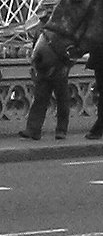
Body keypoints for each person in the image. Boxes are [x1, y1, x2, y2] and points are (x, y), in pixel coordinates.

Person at [20, 11, 70, 140]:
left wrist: (66, 66)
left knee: (61, 100)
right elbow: (35, 47)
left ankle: (60, 130)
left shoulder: (63, 27)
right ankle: (33, 130)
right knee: (40, 99)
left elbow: (70, 49)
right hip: (44, 69)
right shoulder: (42, 28)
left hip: (58, 68)